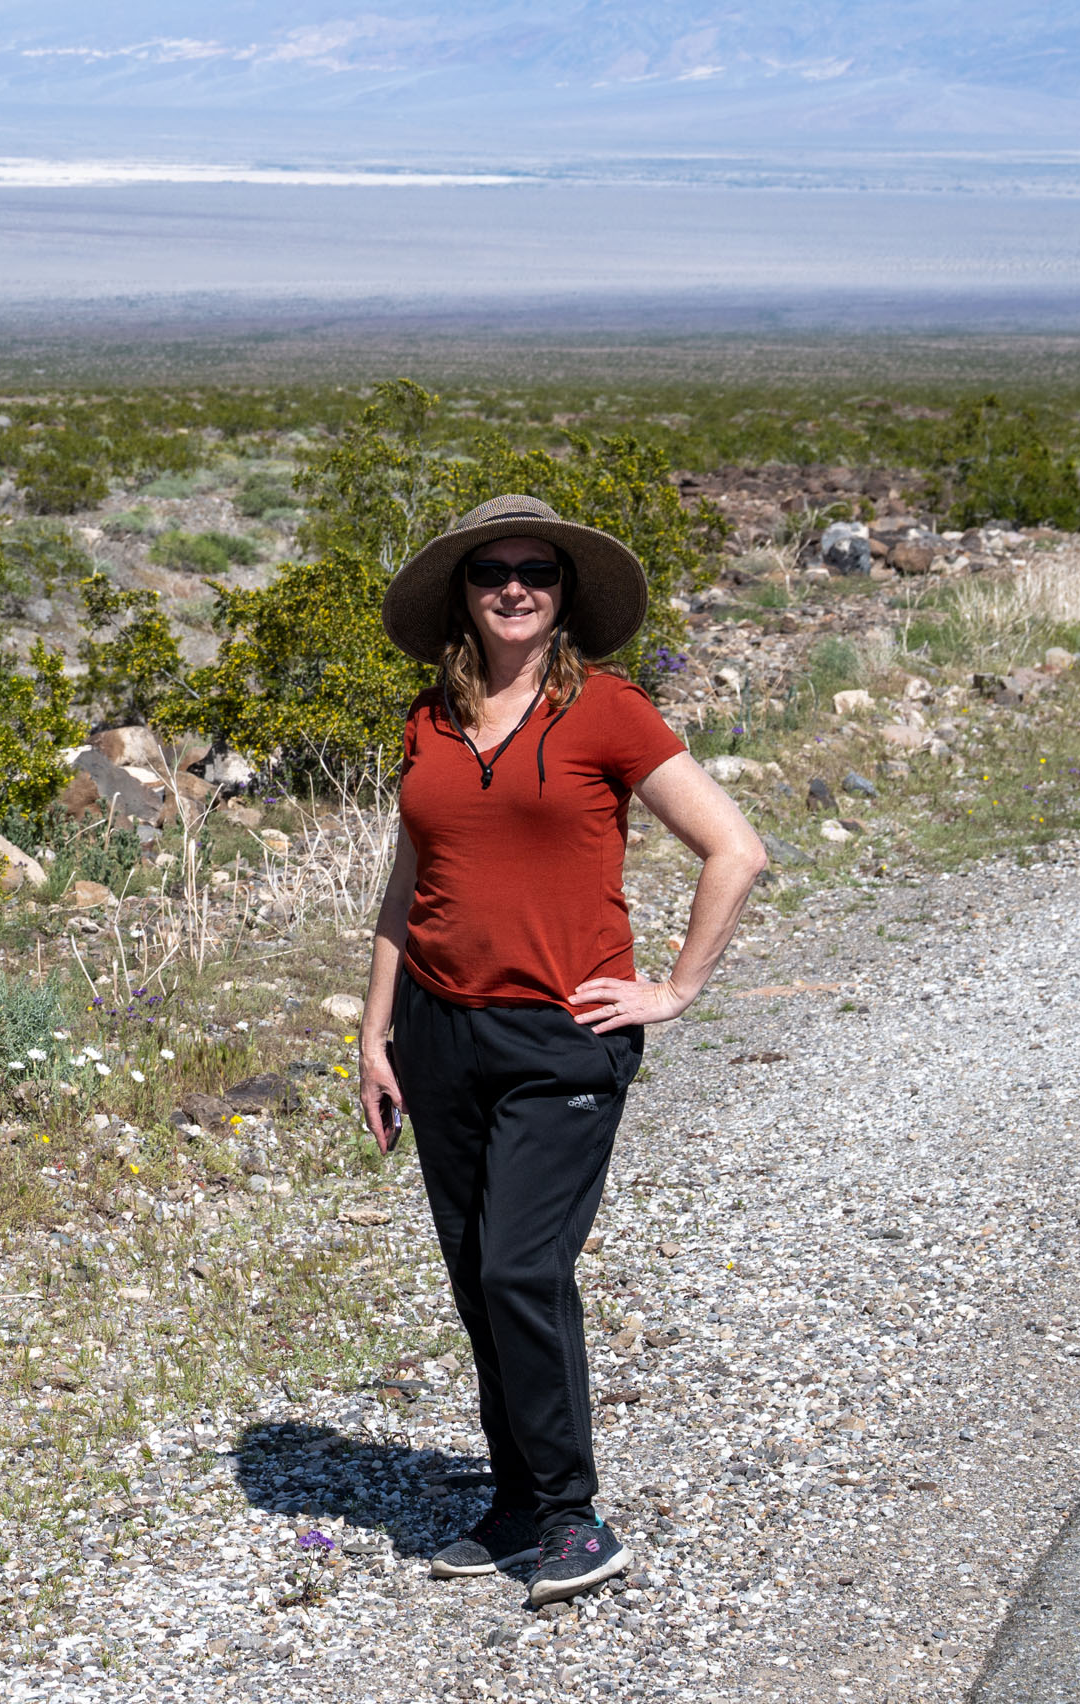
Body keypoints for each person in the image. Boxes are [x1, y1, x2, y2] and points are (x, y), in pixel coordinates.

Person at [353, 494, 766, 1607]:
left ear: (565, 593)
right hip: (438, 1029)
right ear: (462, 595)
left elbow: (735, 849)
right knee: (474, 1279)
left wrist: (673, 990)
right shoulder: (430, 719)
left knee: (521, 1269)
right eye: (492, 571)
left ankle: (573, 1514)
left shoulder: (609, 712)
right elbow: (411, 880)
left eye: (537, 570)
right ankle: (517, 1501)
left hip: (562, 1037)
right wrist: (375, 1032)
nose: (515, 588)